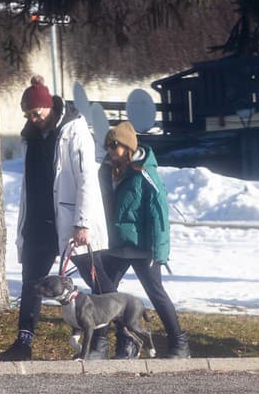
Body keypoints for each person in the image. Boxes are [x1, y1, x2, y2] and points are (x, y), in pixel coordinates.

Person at [0, 75, 108, 361]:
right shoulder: (31, 137)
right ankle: (23, 342)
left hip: (70, 222)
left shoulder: (74, 131)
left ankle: (105, 341)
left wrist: (82, 222)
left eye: (37, 112)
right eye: (28, 114)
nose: (33, 118)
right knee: (32, 283)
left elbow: (86, 180)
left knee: (98, 281)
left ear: (50, 108)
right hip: (38, 222)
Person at [80, 121, 190, 359]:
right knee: (101, 293)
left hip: (142, 247)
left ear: (127, 147)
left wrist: (160, 255)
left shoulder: (145, 173)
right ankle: (99, 346)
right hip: (115, 245)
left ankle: (179, 345)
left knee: (156, 293)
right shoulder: (106, 171)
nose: (109, 150)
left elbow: (159, 215)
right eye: (107, 145)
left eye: (114, 145)